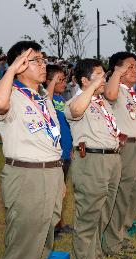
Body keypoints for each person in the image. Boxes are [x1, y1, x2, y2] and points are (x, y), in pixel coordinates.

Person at [0, 41, 64, 259]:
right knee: (23, 245)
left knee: (44, 239)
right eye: (36, 60)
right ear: (20, 65)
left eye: (44, 60)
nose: (44, 65)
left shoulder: (42, 98)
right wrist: (10, 70)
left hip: (51, 172)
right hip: (27, 176)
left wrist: (58, 177)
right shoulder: (10, 93)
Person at [65, 58, 125, 259]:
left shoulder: (102, 103)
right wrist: (90, 89)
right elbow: (76, 111)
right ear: (84, 80)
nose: (103, 80)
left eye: (104, 75)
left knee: (102, 216)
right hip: (91, 161)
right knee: (87, 219)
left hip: (111, 160)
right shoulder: (76, 102)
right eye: (98, 76)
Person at [102, 52, 136, 259]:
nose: (135, 71)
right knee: (122, 195)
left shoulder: (131, 92)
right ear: (117, 70)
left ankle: (120, 235)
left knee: (133, 194)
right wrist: (117, 73)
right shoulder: (113, 89)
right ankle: (111, 242)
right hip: (127, 147)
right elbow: (109, 96)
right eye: (129, 67)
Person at [45, 64, 74, 239]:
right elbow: (45, 104)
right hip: (54, 153)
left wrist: (70, 148)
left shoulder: (61, 99)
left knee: (61, 191)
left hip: (65, 152)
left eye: (64, 79)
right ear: (48, 81)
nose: (63, 82)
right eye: (59, 79)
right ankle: (51, 228)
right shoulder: (45, 97)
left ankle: (59, 224)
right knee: (52, 192)